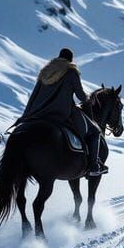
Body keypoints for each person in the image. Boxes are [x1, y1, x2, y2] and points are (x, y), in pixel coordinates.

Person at [13, 47, 107, 176]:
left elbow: (34, 95)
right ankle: (93, 166)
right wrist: (88, 100)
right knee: (95, 132)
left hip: (39, 112)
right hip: (61, 113)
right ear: (70, 60)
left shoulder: (44, 72)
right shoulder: (71, 71)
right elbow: (80, 95)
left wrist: (26, 115)